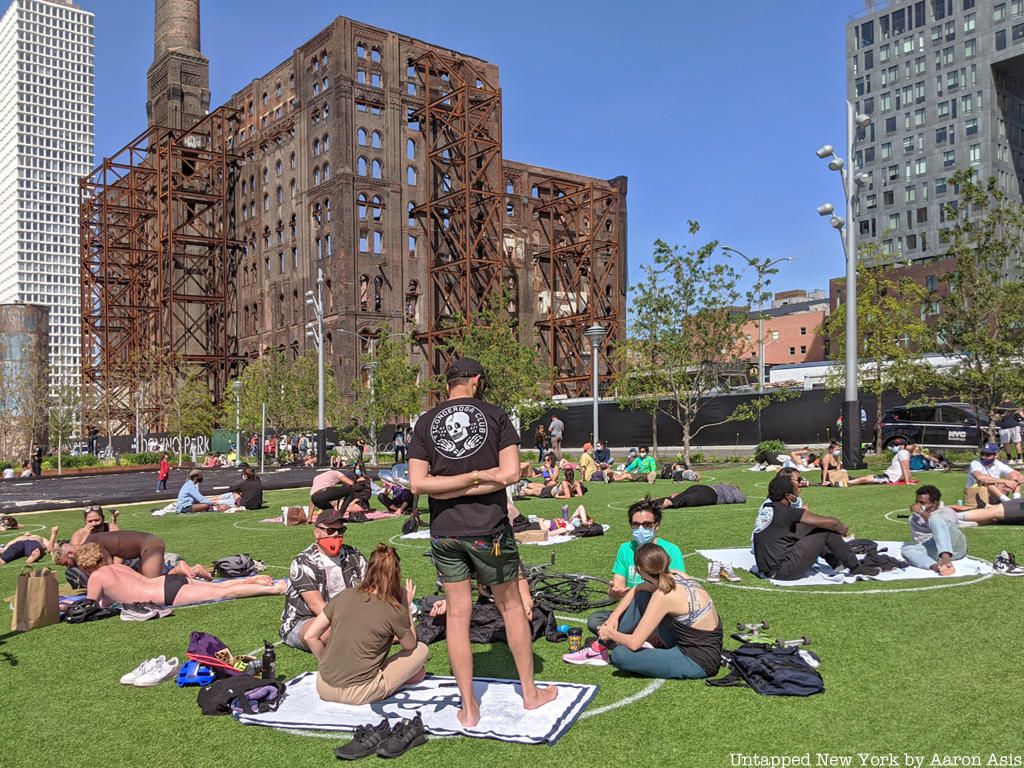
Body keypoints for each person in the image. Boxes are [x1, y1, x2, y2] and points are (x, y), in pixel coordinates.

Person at [409, 357, 556, 727]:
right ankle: (530, 692)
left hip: (445, 532)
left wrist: (453, 483)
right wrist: (476, 476)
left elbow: (420, 484)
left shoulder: (425, 423)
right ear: (477, 380)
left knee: (458, 615)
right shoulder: (495, 415)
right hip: (488, 530)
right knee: (510, 608)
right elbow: (508, 474)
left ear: (447, 385)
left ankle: (469, 707)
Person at [305, 544, 429, 705]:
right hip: (359, 692)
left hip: (324, 686)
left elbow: (310, 636)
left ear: (369, 570)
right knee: (421, 650)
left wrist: (326, 663)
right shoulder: (392, 609)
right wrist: (405, 603)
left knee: (415, 672)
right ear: (396, 575)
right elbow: (410, 645)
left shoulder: (343, 596)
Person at [585, 543, 722, 678]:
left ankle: (605, 644)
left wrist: (609, 633)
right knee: (642, 596)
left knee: (620, 655)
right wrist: (614, 617)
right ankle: (615, 641)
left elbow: (634, 644)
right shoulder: (677, 574)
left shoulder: (662, 595)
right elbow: (638, 589)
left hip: (698, 660)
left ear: (639, 570)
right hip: (699, 643)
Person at [576, 497, 687, 660]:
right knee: (595, 620)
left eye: (647, 524)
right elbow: (618, 587)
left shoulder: (671, 550)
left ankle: (619, 642)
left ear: (657, 526)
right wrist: (614, 592)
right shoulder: (625, 549)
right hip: (632, 611)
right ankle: (639, 641)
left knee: (641, 597)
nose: (641, 529)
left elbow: (677, 589)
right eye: (636, 524)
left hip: (660, 612)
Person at [752, 474, 879, 580]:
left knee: (810, 527)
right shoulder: (787, 513)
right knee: (826, 530)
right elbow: (832, 523)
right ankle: (855, 566)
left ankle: (837, 563)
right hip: (782, 571)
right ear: (788, 496)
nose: (800, 490)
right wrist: (842, 528)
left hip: (766, 569)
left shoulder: (768, 509)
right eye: (797, 488)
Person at [78, 545, 284, 607]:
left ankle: (274, 589)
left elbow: (91, 605)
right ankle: (250, 580)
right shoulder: (117, 567)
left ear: (87, 568)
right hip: (167, 582)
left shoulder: (96, 577)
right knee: (218, 587)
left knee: (225, 593)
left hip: (164, 593)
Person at [279, 509, 368, 651]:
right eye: (330, 530)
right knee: (326, 633)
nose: (336, 535)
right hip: (306, 620)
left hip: (348, 615)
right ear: (316, 532)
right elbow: (316, 605)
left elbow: (372, 587)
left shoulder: (353, 555)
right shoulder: (303, 561)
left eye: (341, 530)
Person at [53, 528, 212, 580]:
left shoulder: (92, 544)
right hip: (145, 546)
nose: (67, 567)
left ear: (70, 554)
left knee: (152, 584)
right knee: (150, 582)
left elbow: (109, 570)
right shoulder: (90, 542)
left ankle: (184, 569)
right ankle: (187, 570)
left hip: (149, 545)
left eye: (65, 563)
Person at [901, 485, 966, 576]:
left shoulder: (947, 512)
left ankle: (945, 558)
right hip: (934, 549)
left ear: (934, 503)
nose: (918, 505)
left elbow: (943, 529)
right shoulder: (914, 517)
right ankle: (939, 567)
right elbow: (920, 541)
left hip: (954, 546)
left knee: (936, 519)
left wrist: (921, 512)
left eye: (922, 503)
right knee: (907, 550)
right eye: (916, 502)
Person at [848, 441, 915, 485]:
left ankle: (851, 480)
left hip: (890, 476)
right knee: (867, 479)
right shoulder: (903, 453)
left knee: (869, 478)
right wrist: (908, 481)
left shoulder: (904, 453)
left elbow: (906, 468)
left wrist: (908, 480)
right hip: (889, 477)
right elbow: (905, 468)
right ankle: (850, 481)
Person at [656, 483, 746, 509]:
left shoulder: (720, 485)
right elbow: (741, 499)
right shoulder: (731, 489)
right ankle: (669, 502)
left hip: (701, 487)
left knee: (679, 496)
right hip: (710, 494)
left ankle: (655, 501)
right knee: (687, 499)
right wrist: (735, 490)